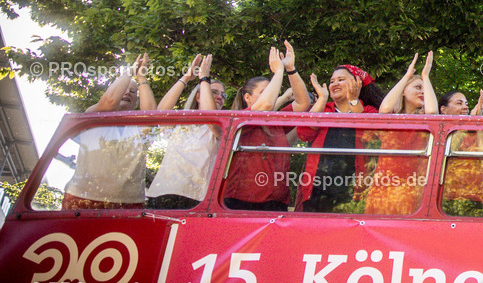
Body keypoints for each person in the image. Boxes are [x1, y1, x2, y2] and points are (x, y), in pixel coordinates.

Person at [223, 41, 311, 211]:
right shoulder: (241, 120)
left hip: (277, 202)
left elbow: (303, 103)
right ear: (247, 98)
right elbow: (264, 106)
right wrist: (278, 71)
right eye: (263, 92)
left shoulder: (275, 121)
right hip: (242, 202)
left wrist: (290, 69)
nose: (270, 96)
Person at [61, 53, 157, 210]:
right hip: (82, 197)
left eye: (133, 92)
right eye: (123, 89)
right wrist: (131, 71)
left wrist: (141, 78)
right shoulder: (94, 116)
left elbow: (152, 114)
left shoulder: (139, 126)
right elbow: (109, 102)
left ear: (136, 101)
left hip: (129, 202)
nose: (127, 93)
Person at [295, 64, 385, 212]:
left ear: (357, 83)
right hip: (317, 189)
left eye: (341, 79)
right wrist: (322, 99)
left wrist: (353, 101)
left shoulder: (368, 110)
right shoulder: (323, 109)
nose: (335, 84)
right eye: (332, 81)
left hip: (352, 193)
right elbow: (304, 134)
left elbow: (372, 138)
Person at [147, 54, 227, 209]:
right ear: (198, 96)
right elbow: (160, 113)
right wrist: (186, 77)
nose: (219, 97)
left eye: (223, 95)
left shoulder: (220, 127)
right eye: (214, 92)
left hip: (196, 198)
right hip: (163, 194)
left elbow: (209, 117)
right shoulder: (180, 122)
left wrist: (204, 79)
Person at [362, 52, 437, 215]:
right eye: (418, 87)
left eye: (425, 88)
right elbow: (384, 109)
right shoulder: (393, 119)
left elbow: (432, 112)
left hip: (412, 188)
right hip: (384, 188)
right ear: (403, 91)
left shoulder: (424, 121)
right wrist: (407, 76)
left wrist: (425, 76)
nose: (422, 92)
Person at [438, 89, 483, 217]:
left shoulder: (474, 129)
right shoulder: (440, 129)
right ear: (444, 110)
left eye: (466, 103)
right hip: (451, 198)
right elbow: (446, 151)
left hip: (478, 197)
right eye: (459, 103)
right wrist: (466, 125)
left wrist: (478, 119)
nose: (465, 107)